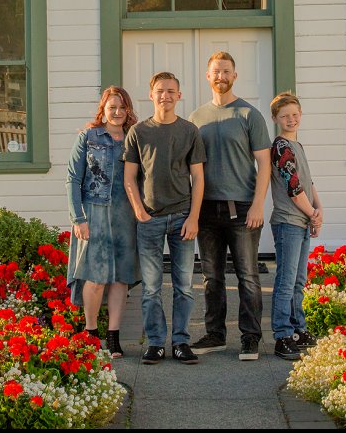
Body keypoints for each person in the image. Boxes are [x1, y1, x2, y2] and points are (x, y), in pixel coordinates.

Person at [188, 51, 274, 360]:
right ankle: (215, 335)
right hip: (207, 210)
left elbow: (264, 164)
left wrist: (258, 205)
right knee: (212, 277)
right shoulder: (196, 118)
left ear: (234, 76)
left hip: (243, 208)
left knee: (248, 276)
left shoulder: (250, 115)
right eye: (216, 71)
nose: (221, 76)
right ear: (208, 76)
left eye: (226, 71)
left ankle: (251, 338)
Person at [123, 72, 207, 365]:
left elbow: (198, 176)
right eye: (160, 91)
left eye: (171, 91)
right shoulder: (138, 132)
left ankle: (181, 342)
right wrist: (139, 211)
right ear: (151, 94)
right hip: (150, 219)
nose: (166, 96)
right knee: (151, 287)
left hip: (182, 216)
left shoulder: (189, 131)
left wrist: (194, 217)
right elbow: (129, 177)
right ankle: (156, 343)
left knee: (184, 286)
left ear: (179, 96)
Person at [65, 86, 139, 358]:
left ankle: (114, 336)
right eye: (112, 108)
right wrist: (78, 217)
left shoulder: (135, 138)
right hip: (94, 212)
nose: (117, 112)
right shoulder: (88, 137)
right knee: (95, 278)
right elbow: (73, 178)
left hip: (125, 214)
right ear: (103, 110)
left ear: (128, 110)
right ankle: (91, 332)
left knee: (120, 278)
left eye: (122, 107)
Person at [267, 91, 324, 361]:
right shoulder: (280, 147)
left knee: (299, 281)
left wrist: (318, 210)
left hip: (302, 220)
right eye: (284, 116)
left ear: (300, 114)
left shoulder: (298, 146)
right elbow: (293, 187)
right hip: (288, 222)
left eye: (294, 114)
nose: (291, 119)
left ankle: (298, 329)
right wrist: (311, 212)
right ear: (276, 119)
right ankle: (282, 335)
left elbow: (308, 183)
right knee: (286, 281)